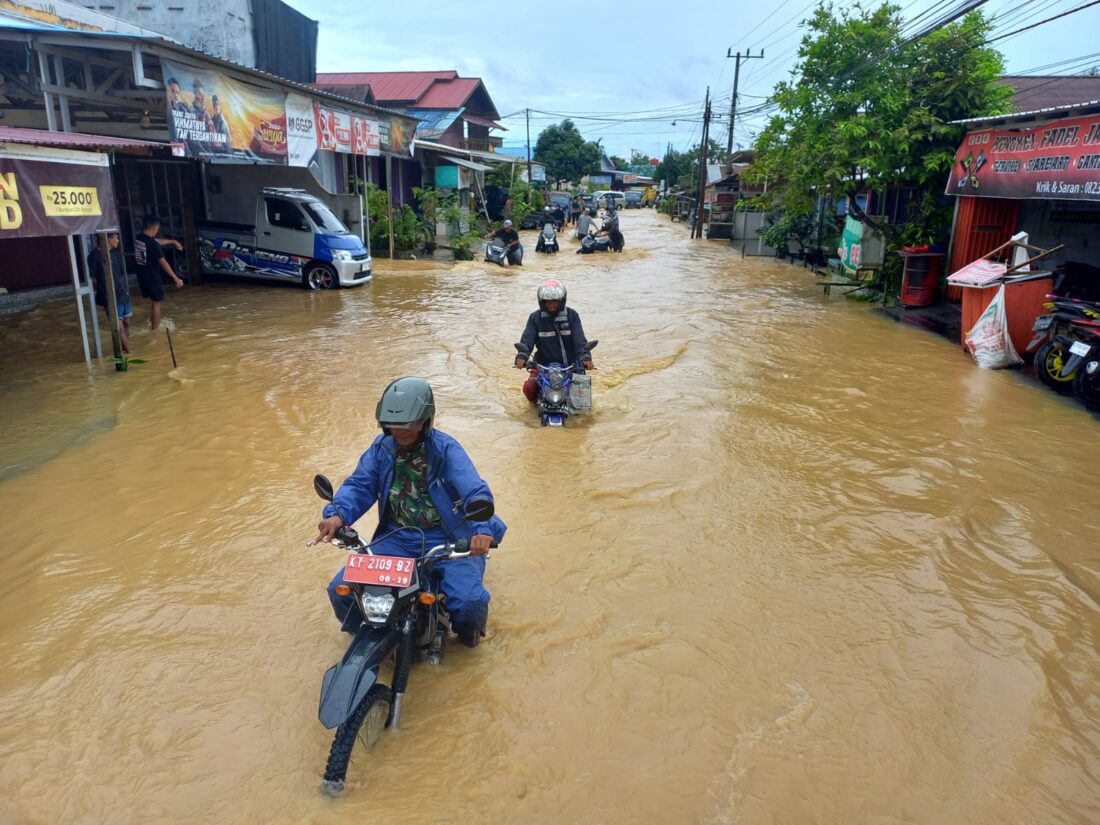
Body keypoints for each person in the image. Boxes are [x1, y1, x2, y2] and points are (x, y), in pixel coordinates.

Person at [314, 377, 506, 647]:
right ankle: (367, 642)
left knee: (469, 601)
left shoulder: (446, 449)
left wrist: (482, 530)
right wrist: (337, 514)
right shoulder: (381, 449)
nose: (401, 430)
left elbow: (475, 491)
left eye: (409, 424)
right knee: (341, 590)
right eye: (394, 424)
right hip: (397, 538)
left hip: (448, 538)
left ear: (425, 421)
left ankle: (467, 640)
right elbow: (359, 485)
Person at [514, 279, 595, 403]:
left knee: (582, 400)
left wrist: (586, 358)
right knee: (529, 388)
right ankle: (535, 408)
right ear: (542, 302)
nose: (551, 305)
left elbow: (580, 341)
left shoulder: (572, 316)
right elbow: (527, 340)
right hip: (543, 366)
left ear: (561, 301)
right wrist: (522, 356)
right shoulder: (535, 318)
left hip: (571, 366)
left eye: (555, 301)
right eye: (548, 302)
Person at [134, 215, 184, 331]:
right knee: (157, 303)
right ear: (154, 227)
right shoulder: (152, 243)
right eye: (158, 228)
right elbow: (163, 263)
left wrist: (173, 241)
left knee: (154, 302)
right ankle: (155, 331)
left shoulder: (139, 238)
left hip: (142, 276)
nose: (158, 230)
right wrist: (175, 278)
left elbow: (156, 241)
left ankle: (154, 326)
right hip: (152, 276)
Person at [87, 232, 132, 353]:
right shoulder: (94, 256)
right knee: (119, 327)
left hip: (123, 293)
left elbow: (121, 274)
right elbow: (94, 279)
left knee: (127, 323)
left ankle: (126, 349)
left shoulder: (115, 254)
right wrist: (103, 293)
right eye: (116, 238)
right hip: (109, 296)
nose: (117, 240)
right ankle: (130, 353)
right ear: (108, 239)